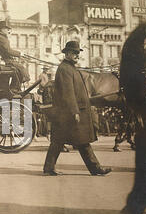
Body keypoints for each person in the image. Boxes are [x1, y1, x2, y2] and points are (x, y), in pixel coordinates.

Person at [43, 41, 111, 176]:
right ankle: (95, 168)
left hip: (69, 113)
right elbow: (68, 92)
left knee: (69, 141)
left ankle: (49, 168)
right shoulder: (65, 69)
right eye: (74, 53)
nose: (76, 55)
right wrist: (74, 111)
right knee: (77, 141)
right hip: (69, 113)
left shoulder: (70, 68)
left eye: (77, 53)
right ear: (67, 54)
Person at [0, 20, 30, 87]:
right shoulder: (1, 38)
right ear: (2, 29)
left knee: (18, 67)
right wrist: (19, 54)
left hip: (4, 59)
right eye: (7, 29)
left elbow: (6, 51)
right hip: (4, 61)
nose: (8, 31)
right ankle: (16, 86)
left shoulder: (1, 38)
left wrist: (17, 55)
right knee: (20, 67)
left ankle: (15, 86)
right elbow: (8, 51)